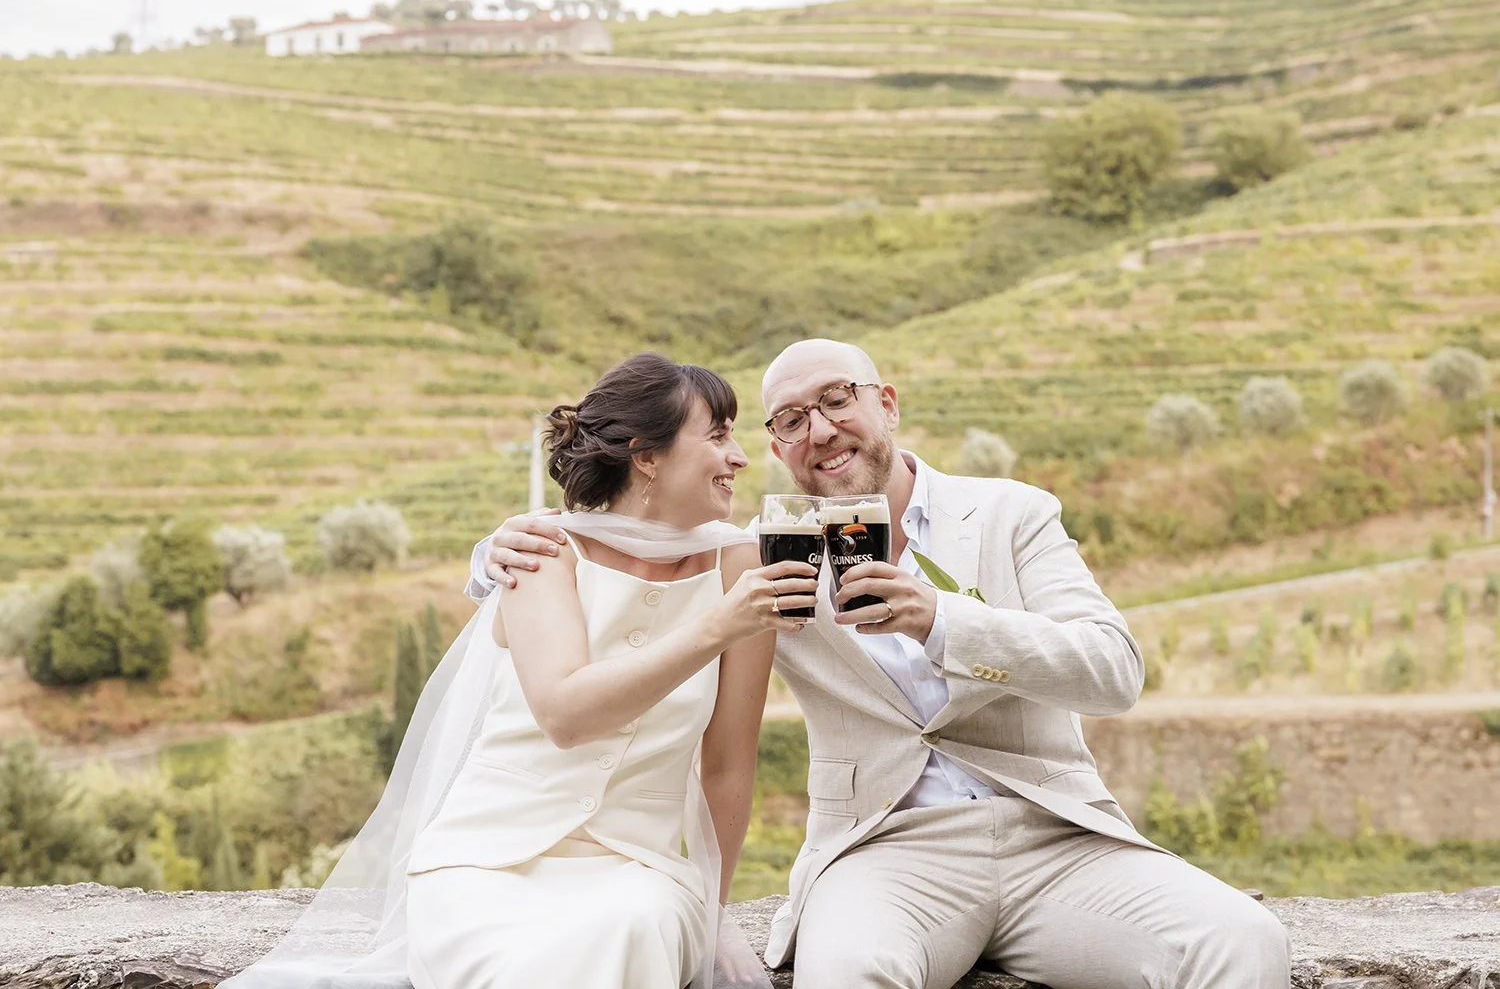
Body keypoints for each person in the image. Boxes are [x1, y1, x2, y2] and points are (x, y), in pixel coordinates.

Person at [471, 339, 1292, 989]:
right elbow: (630, 541)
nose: (819, 429)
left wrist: (944, 619)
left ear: (886, 403)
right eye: (790, 419)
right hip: (883, 849)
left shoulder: (1011, 514)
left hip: (1060, 839)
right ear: (778, 449)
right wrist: (494, 552)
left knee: (1243, 942)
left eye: (837, 399)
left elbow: (1114, 672)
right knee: (848, 972)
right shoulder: (761, 552)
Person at [224, 352, 816, 989]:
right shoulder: (542, 550)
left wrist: (717, 912)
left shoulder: (741, 569)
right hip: (485, 864)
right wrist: (719, 625)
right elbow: (566, 714)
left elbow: (728, 764)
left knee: (634, 927)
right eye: (718, 434)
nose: (740, 457)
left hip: (637, 870)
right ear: (646, 455)